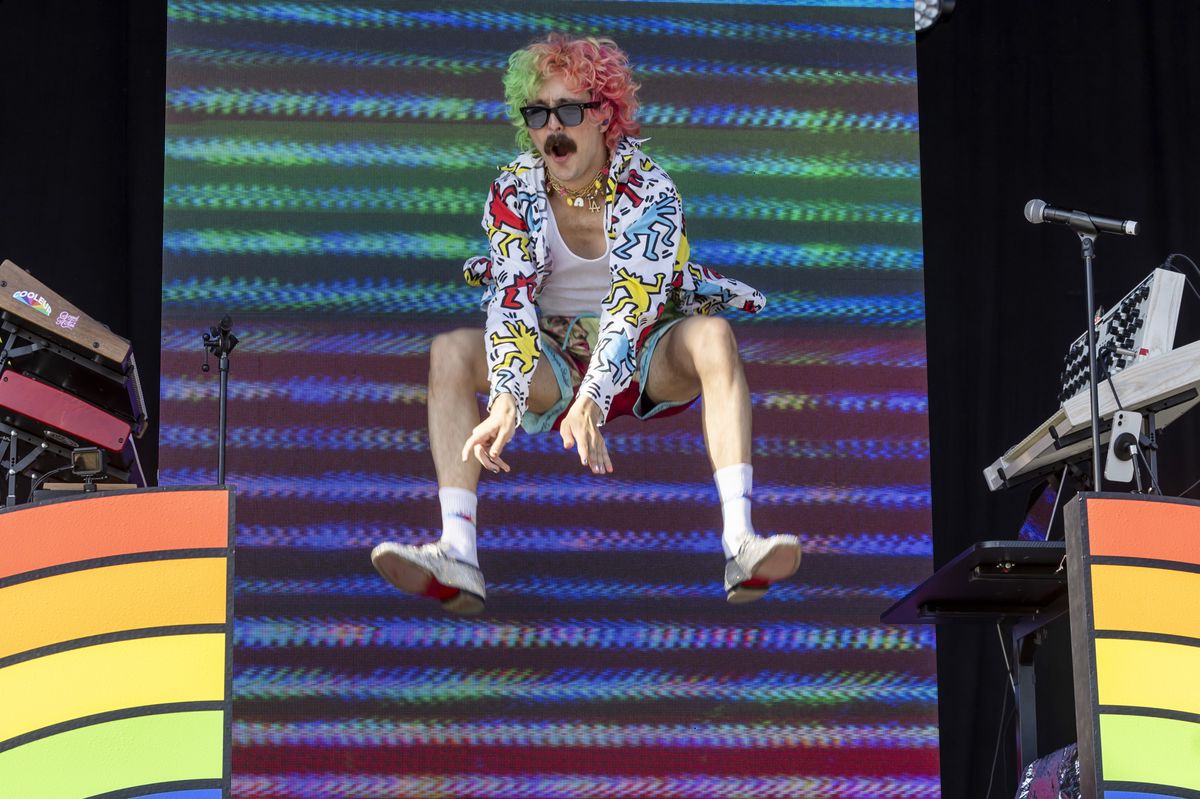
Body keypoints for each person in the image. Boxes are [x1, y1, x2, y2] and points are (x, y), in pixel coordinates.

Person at [371, 33, 800, 613]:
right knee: (451, 349)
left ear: (605, 117)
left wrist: (595, 398)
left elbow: (632, 303)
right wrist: (504, 396)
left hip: (646, 353)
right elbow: (511, 298)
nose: (553, 129)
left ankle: (740, 541)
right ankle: (457, 551)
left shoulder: (649, 188)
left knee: (715, 337)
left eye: (569, 111)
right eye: (539, 113)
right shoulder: (514, 191)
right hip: (554, 357)